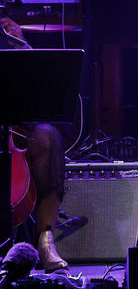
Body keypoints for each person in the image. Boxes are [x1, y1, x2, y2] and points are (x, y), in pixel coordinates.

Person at [0, 16, 68, 272]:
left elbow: (37, 91)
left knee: (47, 136)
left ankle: (45, 240)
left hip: (12, 125)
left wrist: (20, 45)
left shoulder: (7, 33)